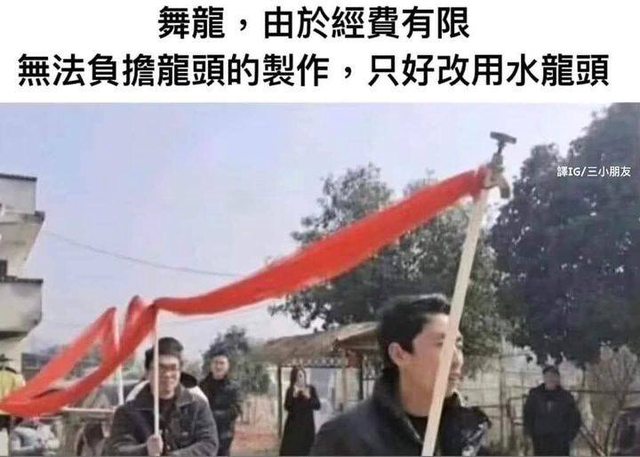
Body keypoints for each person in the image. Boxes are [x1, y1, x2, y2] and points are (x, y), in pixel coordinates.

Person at [311, 294, 490, 456]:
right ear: (399, 354)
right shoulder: (345, 438)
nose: (457, 360)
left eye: (458, 346)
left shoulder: (471, 432)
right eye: (442, 345)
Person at [103, 337, 218, 456]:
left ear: (180, 372)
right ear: (148, 372)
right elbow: (116, 450)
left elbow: (209, 444)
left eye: (173, 368)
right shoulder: (127, 412)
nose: (167, 374)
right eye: (160, 368)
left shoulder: (197, 406)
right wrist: (145, 450)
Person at [523, 365, 581, 456]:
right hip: (540, 440)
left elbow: (575, 419)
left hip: (560, 442)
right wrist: (529, 434)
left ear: (558, 378)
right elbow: (528, 415)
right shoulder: (535, 395)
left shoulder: (566, 397)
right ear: (544, 378)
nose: (551, 379)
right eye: (548, 376)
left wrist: (569, 437)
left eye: (553, 376)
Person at [199, 348, 242, 456]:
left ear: (228, 366)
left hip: (224, 436)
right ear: (211, 365)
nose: (218, 366)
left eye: (222, 363)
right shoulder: (201, 386)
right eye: (215, 363)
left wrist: (212, 416)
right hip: (203, 436)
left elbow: (236, 410)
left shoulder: (234, 387)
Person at [280, 366, 321, 456]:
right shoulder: (290, 390)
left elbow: (318, 405)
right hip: (293, 426)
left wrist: (309, 397)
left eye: (302, 375)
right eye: (298, 376)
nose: (300, 378)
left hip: (307, 426)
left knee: (306, 450)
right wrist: (293, 396)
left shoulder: (310, 389)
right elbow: (287, 407)